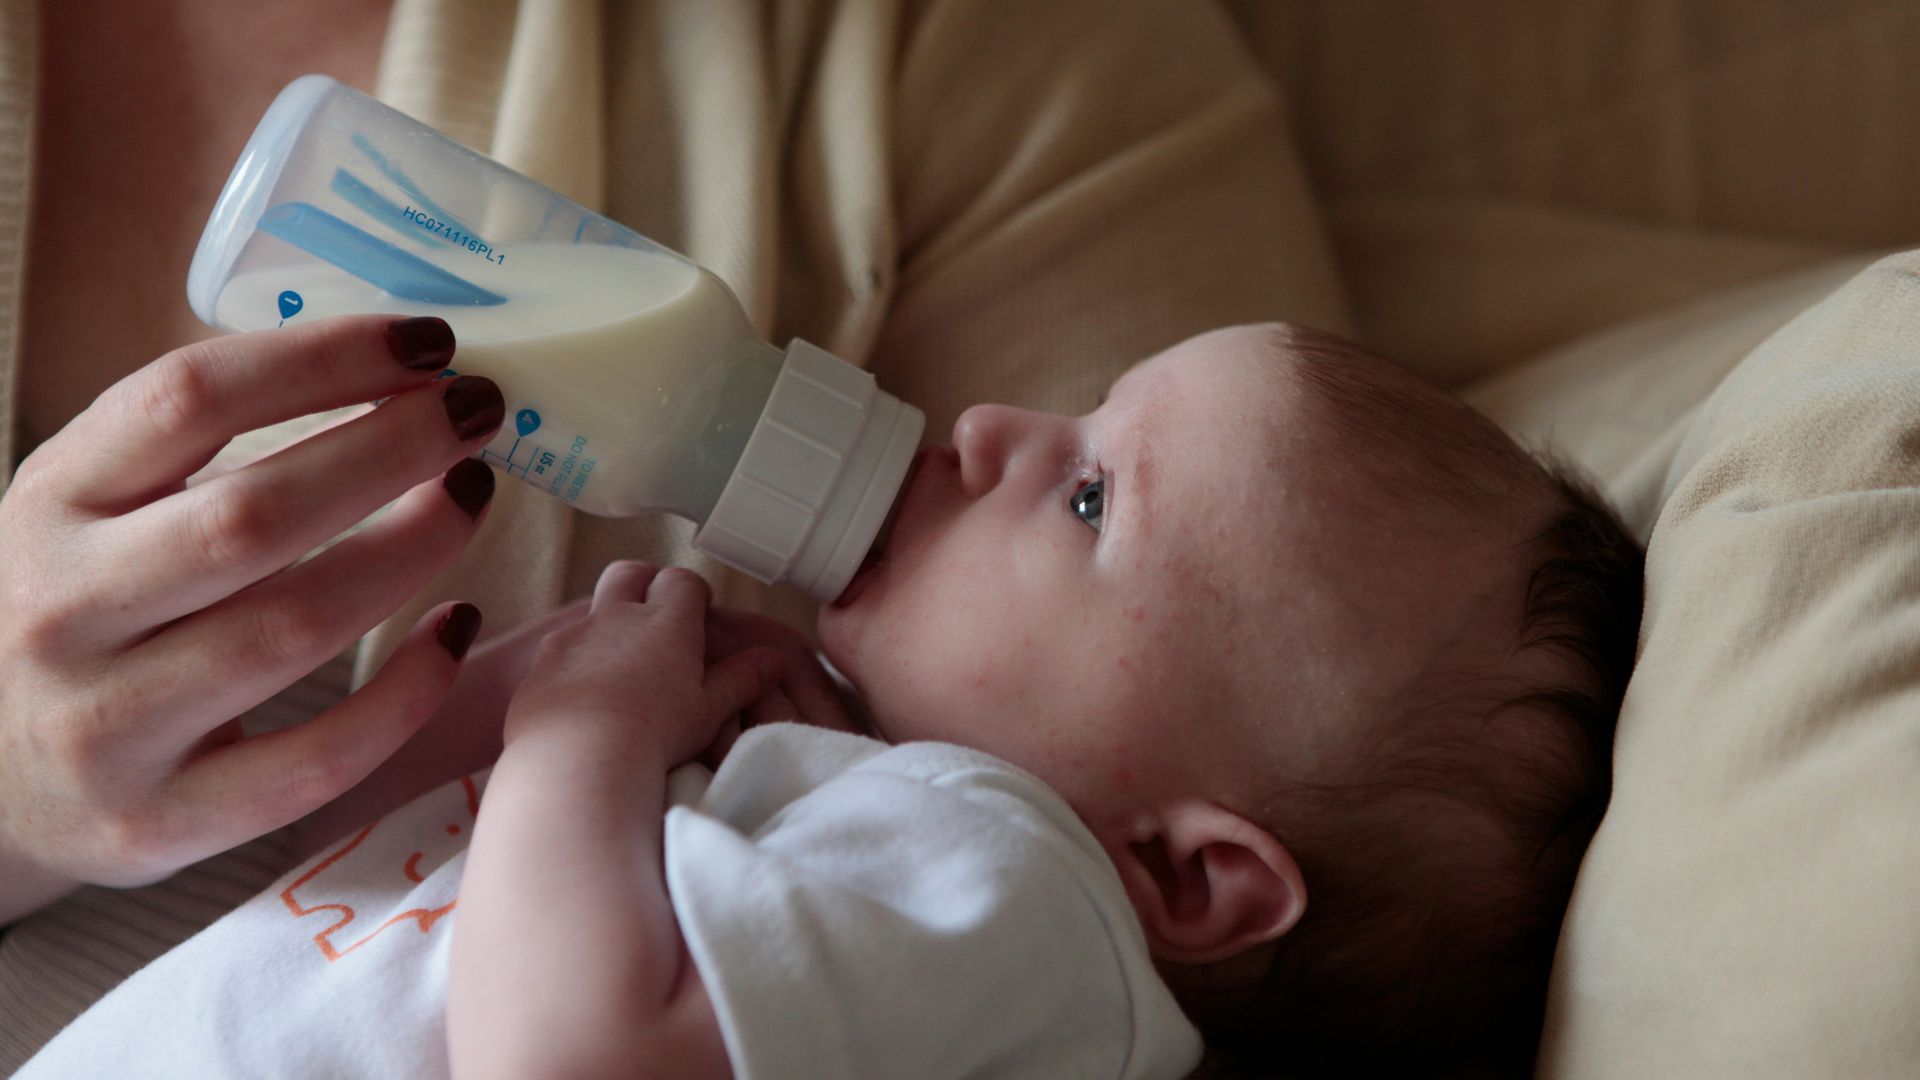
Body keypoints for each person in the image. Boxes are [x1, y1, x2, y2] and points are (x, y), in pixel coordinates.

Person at [14, 321, 1646, 1078]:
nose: (999, 421)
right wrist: (531, 718)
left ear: (1183, 875)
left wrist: (585, 741)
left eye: (1089, 499)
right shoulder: (864, 849)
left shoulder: (1023, 901)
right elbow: (386, 905)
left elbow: (561, 1057)